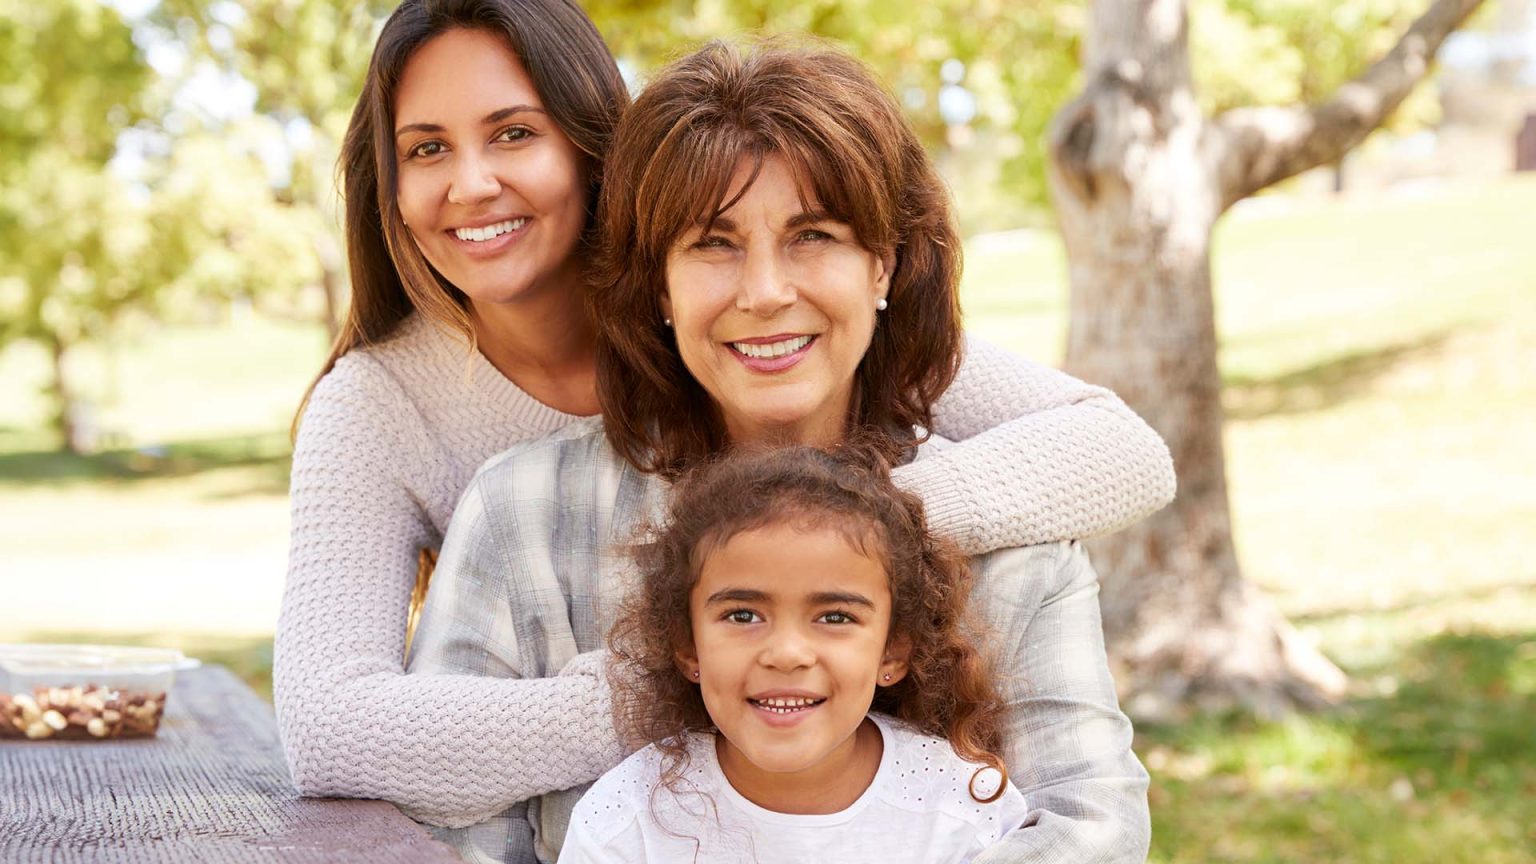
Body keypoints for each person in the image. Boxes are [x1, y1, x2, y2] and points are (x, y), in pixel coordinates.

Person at [276, 0, 1174, 834]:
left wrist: (866, 522)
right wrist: (662, 688)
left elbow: (1116, 448)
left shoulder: (837, 347)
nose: (474, 185)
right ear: (654, 278)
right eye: (427, 148)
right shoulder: (454, 458)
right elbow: (330, 729)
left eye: (514, 133)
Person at [559, 445, 1030, 863]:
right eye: (743, 616)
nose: (786, 654)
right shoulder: (627, 821)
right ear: (687, 646)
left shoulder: (962, 804)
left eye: (835, 617)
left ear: (893, 652)